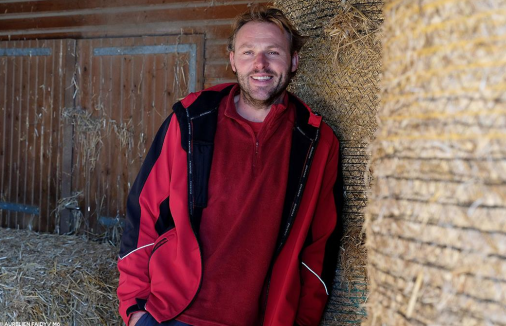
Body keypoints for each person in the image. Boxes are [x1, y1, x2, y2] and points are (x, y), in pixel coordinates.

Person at [117, 5, 342, 326]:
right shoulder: (192, 120)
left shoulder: (317, 141)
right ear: (233, 59)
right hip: (171, 314)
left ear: (293, 61)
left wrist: (303, 319)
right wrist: (136, 307)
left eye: (273, 52)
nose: (260, 64)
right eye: (248, 52)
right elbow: (144, 213)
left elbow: (319, 247)